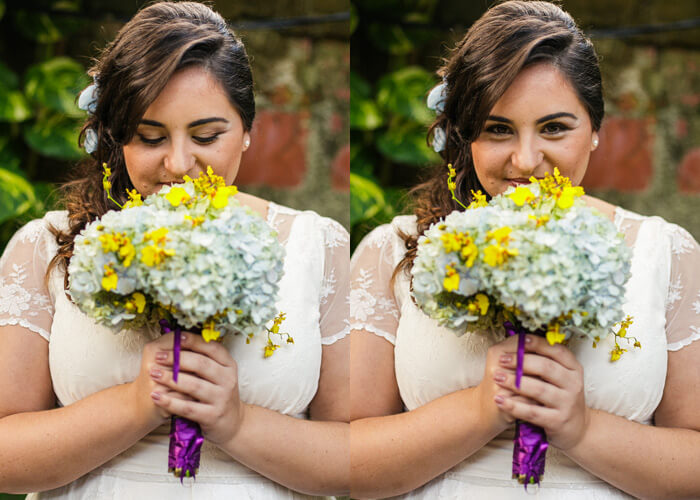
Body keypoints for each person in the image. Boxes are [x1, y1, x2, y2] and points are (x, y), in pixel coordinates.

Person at [350, 1, 700, 498]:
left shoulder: (664, 253)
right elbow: (348, 467)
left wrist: (580, 428)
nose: (527, 160)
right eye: (498, 129)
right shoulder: (395, 251)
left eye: (555, 128)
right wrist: (479, 409)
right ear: (464, 134)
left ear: (596, 130)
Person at [0, 2, 349, 498]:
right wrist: (139, 403)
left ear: (248, 130)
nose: (179, 163)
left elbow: (352, 461)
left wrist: (236, 422)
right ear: (116, 137)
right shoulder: (46, 246)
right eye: (149, 136)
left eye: (207, 135)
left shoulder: (317, 245)